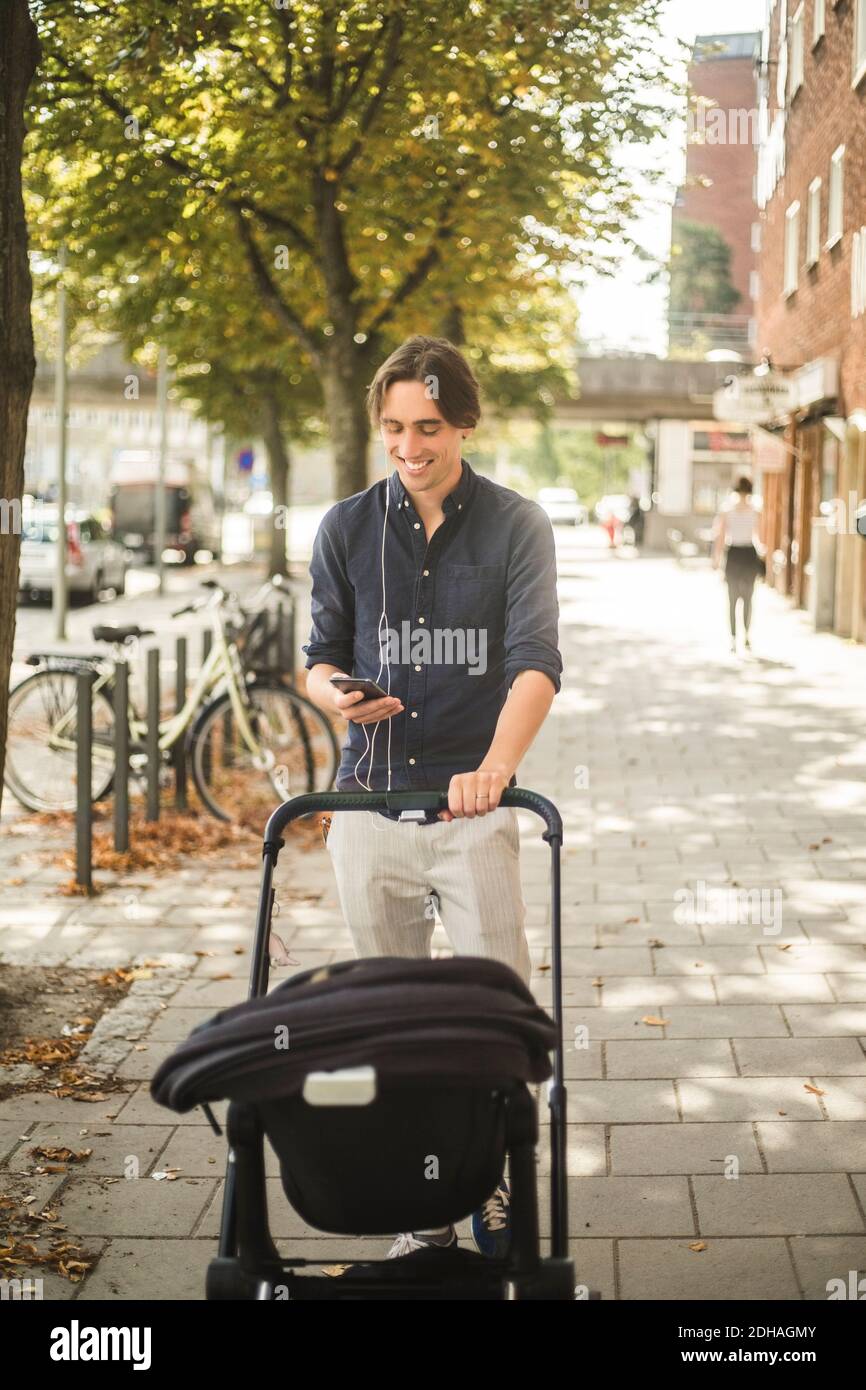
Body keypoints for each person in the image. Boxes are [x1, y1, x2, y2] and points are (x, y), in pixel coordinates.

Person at [303, 334, 562, 1261]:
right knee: (395, 1019)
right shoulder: (344, 528)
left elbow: (535, 664)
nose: (410, 447)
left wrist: (495, 766)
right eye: (395, 429)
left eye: (430, 428)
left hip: (470, 809)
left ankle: (497, 1188)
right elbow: (319, 655)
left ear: (464, 425)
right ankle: (424, 1216)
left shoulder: (517, 527)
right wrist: (338, 693)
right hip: (369, 806)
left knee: (493, 1011)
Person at [712, 476, 764, 654]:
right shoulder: (756, 511)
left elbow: (720, 537)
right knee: (746, 598)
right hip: (747, 553)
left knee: (733, 599)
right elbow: (761, 537)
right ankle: (744, 635)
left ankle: (736, 637)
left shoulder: (728, 511)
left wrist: (717, 559)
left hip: (735, 554)